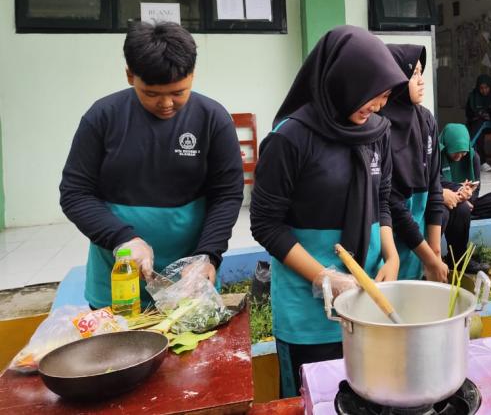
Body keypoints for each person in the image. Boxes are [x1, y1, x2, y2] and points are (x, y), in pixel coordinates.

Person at [250, 26, 405, 398]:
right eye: (372, 94)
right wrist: (324, 277)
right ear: (343, 81)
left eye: (385, 96)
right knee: (314, 400)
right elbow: (266, 224)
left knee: (368, 397)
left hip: (366, 301)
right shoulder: (290, 138)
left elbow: (382, 199)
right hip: (309, 314)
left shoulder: (378, 132)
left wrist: (392, 255)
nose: (378, 106)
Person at [60, 22, 244, 310]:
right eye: (152, 94)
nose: (166, 103)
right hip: (118, 280)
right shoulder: (102, 117)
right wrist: (123, 239)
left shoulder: (212, 119)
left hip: (191, 281)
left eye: (178, 92)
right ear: (130, 76)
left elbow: (227, 195)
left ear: (193, 75)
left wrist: (207, 255)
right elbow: (75, 193)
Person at [379, 44, 450, 282]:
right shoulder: (378, 126)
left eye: (421, 72)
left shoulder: (426, 120)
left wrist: (435, 251)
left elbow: (434, 186)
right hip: (388, 239)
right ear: (396, 78)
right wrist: (429, 257)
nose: (421, 81)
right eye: (413, 73)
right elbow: (391, 203)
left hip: (418, 240)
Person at [439, 123, 491, 270]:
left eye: (463, 153)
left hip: (467, 202)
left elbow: (476, 187)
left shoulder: (473, 157)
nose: (459, 156)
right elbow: (436, 181)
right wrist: (458, 190)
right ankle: (458, 256)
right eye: (455, 152)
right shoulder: (436, 156)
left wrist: (468, 198)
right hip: (444, 200)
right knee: (459, 209)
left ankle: (464, 216)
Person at [465, 74, 491, 172]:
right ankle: (480, 162)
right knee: (478, 133)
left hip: (489, 126)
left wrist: (486, 115)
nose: (484, 90)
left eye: (486, 87)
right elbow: (468, 114)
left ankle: (466, 151)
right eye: (481, 88)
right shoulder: (473, 96)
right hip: (474, 124)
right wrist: (477, 114)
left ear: (490, 87)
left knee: (481, 124)